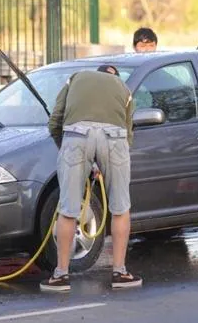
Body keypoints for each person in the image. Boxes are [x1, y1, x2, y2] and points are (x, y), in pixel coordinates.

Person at [42, 64, 142, 292]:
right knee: (120, 208)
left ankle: (60, 275)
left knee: (68, 209)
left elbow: (55, 122)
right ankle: (120, 272)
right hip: (114, 138)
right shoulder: (124, 89)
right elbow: (127, 135)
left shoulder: (75, 79)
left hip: (76, 135)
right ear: (115, 77)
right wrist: (103, 158)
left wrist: (66, 150)